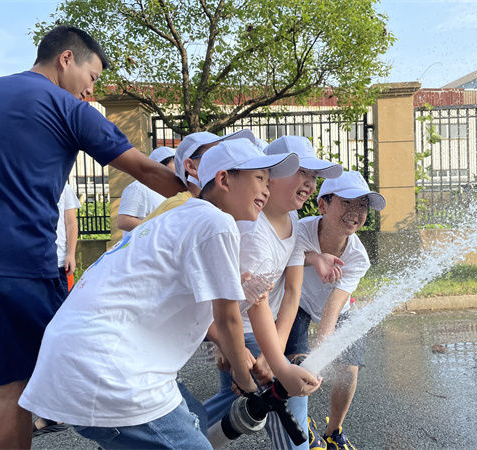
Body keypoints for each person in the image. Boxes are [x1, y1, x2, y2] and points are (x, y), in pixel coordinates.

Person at [19, 139, 310, 450]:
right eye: (259, 178)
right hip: (109, 372)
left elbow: (203, 306)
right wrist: (247, 380)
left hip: (81, 360)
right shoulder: (216, 222)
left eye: (268, 180)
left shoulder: (184, 215)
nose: (266, 189)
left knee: (191, 419)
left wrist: (244, 353)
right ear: (224, 179)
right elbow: (227, 319)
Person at [0, 25, 184, 449]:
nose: (91, 91)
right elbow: (147, 170)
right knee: (14, 393)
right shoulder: (67, 107)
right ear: (66, 59)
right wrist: (211, 201)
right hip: (18, 267)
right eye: (92, 78)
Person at [204, 135, 343, 450]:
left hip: (267, 333)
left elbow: (292, 290)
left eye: (313, 176)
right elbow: (254, 302)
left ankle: (173, 436)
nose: (310, 183)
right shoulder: (253, 230)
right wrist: (274, 359)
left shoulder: (291, 217)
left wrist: (275, 352)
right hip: (247, 331)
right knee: (271, 402)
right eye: (302, 172)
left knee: (236, 403)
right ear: (270, 172)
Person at [284, 171, 386, 450]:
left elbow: (334, 305)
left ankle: (333, 431)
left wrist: (323, 351)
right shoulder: (300, 230)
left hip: (339, 310)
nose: (356, 212)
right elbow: (280, 259)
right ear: (322, 205)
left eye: (363, 205)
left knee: (349, 369)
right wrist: (313, 258)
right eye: (347, 203)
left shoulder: (357, 257)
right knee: (296, 364)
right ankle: (299, 421)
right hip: (298, 303)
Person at [31, 183, 81, 437]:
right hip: (25, 267)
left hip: (59, 267)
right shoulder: (17, 174)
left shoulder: (62, 183)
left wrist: (70, 253)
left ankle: (55, 412)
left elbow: (70, 221)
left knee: (57, 337)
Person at [142, 129, 254, 222]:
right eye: (214, 154)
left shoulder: (216, 208)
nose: (227, 160)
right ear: (191, 166)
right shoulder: (181, 208)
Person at [117, 146, 176, 235]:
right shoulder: (138, 187)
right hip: (143, 247)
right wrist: (161, 230)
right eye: (176, 162)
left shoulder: (172, 188)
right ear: (161, 165)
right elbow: (124, 221)